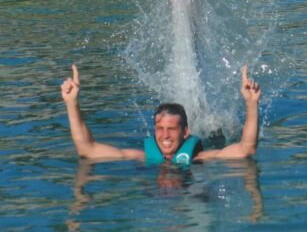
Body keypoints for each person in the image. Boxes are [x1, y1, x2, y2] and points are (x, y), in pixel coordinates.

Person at [61, 64, 261, 163]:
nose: (165, 136)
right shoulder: (142, 157)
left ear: (185, 132)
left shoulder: (199, 159)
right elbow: (87, 149)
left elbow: (246, 150)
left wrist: (251, 104)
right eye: (160, 129)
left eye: (172, 129)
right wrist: (72, 104)